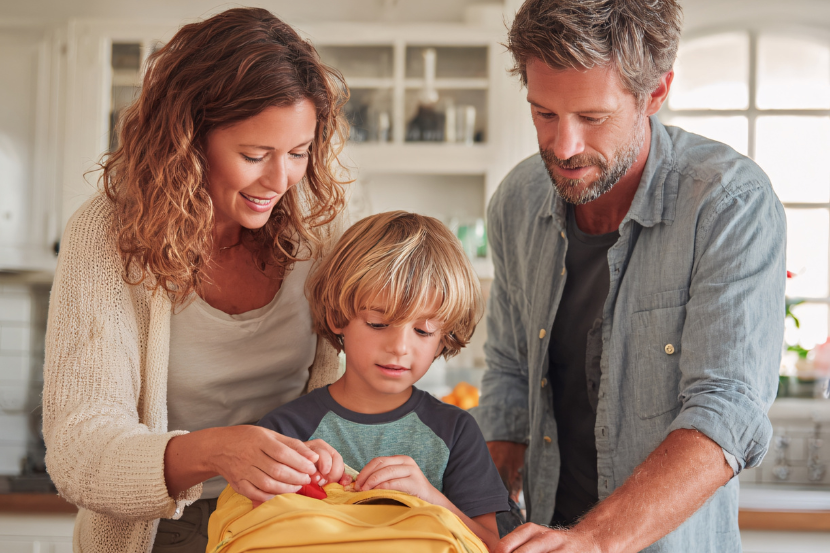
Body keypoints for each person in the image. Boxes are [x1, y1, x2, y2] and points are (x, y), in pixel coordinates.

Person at [470, 1, 786, 552]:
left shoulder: (729, 203)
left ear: (656, 93)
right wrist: (482, 517)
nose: (563, 147)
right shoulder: (517, 202)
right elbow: (509, 370)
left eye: (592, 118)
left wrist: (593, 542)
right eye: (544, 113)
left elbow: (727, 409)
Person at [41, 8, 350, 553]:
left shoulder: (321, 235)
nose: (280, 181)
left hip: (293, 525)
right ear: (188, 140)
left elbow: (354, 391)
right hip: (156, 533)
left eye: (299, 153)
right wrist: (212, 451)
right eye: (255, 155)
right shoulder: (106, 234)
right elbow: (78, 448)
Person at [257, 211, 509, 551]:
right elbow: (259, 535)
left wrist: (429, 498)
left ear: (444, 338)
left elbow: (491, 547)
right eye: (378, 323)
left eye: (423, 330)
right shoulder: (287, 431)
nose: (400, 347)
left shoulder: (456, 432)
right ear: (337, 317)